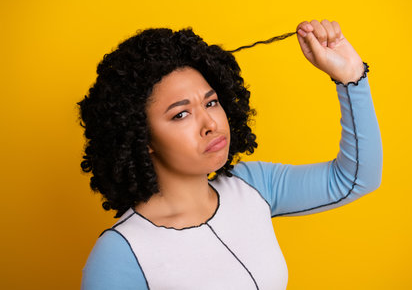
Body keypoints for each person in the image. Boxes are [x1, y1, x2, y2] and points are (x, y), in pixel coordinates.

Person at [78, 19, 382, 290]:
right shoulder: (121, 254)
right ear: (143, 137)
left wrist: (351, 76)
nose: (210, 124)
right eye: (181, 114)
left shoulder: (253, 185)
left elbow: (353, 179)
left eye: (211, 103)